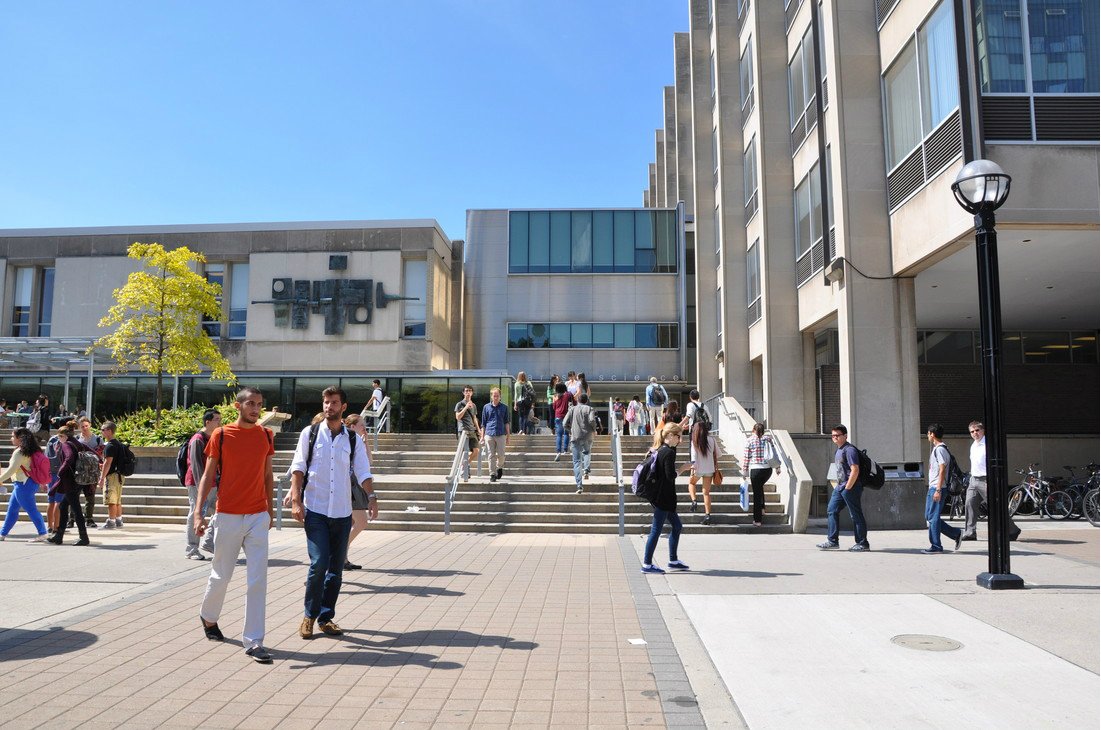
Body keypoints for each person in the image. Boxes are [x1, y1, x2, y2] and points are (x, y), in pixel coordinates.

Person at [195, 387, 276, 664]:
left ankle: (254, 641)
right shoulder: (221, 434)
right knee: (221, 576)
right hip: (228, 514)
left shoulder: (266, 435)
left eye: (259, 404)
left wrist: (270, 512)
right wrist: (198, 512)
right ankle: (208, 616)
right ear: (237, 406)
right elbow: (207, 475)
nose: (256, 408)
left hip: (257, 515)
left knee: (257, 580)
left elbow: (268, 474)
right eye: (251, 403)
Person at [289, 386, 375, 639]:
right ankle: (309, 615)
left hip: (341, 512)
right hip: (315, 509)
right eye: (326, 402)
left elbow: (363, 471)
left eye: (334, 402)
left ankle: (326, 618)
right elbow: (298, 467)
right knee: (318, 564)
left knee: (336, 569)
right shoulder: (310, 433)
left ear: (343, 407)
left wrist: (372, 497)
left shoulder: (352, 439)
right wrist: (296, 500)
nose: (329, 407)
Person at [641, 423, 693, 574]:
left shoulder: (662, 450)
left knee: (677, 526)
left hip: (663, 497)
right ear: (670, 436)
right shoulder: (668, 453)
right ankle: (647, 564)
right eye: (678, 436)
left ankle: (673, 560)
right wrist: (683, 469)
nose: (681, 440)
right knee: (656, 530)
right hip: (663, 498)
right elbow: (670, 476)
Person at [962, 420, 1021, 542]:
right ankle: (970, 532)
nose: (975, 433)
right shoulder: (973, 445)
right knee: (969, 503)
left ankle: (1012, 530)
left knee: (995, 507)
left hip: (986, 480)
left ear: (983, 430)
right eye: (972, 431)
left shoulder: (989, 445)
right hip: (974, 480)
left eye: (977, 430)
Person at [818, 424, 870, 552]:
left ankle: (862, 543)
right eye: (833, 435)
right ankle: (832, 541)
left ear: (845, 436)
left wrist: (847, 487)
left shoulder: (849, 450)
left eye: (837, 435)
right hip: (840, 487)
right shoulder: (839, 450)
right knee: (831, 510)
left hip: (851, 487)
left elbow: (855, 469)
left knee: (855, 514)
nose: (834, 437)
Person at [0, 427, 50, 542]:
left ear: (20, 438)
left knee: (31, 510)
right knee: (12, 510)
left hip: (23, 485)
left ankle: (43, 533)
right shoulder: (31, 449)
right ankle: (2, 533)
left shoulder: (20, 452)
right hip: (27, 483)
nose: (11, 438)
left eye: (13, 436)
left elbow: (11, 470)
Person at [184, 409, 221, 560]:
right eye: (217, 419)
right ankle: (191, 549)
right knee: (196, 512)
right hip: (197, 483)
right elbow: (196, 466)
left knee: (219, 511)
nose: (220, 422)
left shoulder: (212, 438)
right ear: (208, 422)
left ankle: (209, 542)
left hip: (212, 483)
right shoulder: (198, 439)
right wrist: (202, 488)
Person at [343, 413, 376, 570]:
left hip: (358, 485)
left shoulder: (359, 442)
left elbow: (369, 462)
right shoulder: (346, 442)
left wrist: (367, 443)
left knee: (351, 523)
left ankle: (343, 557)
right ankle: (340, 552)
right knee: (361, 521)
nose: (364, 427)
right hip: (351, 485)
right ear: (352, 427)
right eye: (361, 424)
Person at [923, 424, 963, 553]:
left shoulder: (939, 449)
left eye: (928, 433)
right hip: (934, 487)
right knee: (929, 516)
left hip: (937, 487)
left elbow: (942, 470)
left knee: (933, 517)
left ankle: (936, 546)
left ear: (932, 434)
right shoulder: (940, 449)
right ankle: (955, 533)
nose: (927, 436)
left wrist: (938, 490)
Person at [47, 425, 89, 546]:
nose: (59, 439)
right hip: (79, 480)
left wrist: (60, 471)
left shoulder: (66, 444)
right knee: (63, 506)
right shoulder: (77, 443)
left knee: (76, 510)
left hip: (70, 481)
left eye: (60, 436)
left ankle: (84, 537)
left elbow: (69, 457)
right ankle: (59, 536)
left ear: (65, 436)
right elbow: (92, 452)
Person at [741, 423, 780, 527]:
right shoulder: (768, 439)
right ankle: (762, 508)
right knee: (759, 488)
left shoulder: (749, 440)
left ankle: (757, 520)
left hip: (755, 470)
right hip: (767, 470)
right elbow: (774, 453)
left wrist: (744, 472)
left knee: (756, 494)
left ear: (753, 429)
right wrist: (777, 467)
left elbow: (746, 458)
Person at [689, 420, 723, 525]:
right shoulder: (712, 440)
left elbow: (693, 458)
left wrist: (692, 470)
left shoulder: (694, 441)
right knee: (706, 493)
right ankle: (707, 515)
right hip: (709, 469)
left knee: (691, 483)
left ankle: (694, 500)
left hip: (698, 469)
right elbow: (719, 454)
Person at [563, 393, 597, 494]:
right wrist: (594, 429)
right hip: (587, 435)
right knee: (587, 452)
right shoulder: (590, 409)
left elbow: (564, 423)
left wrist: (571, 430)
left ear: (578, 400)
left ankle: (579, 486)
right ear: (586, 400)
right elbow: (592, 420)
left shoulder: (572, 409)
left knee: (577, 461)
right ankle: (586, 470)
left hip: (575, 437)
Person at [74, 417, 102, 528]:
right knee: (74, 496)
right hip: (79, 472)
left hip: (92, 472)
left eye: (86, 426)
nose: (84, 428)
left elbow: (101, 454)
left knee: (90, 496)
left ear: (89, 425)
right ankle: (72, 518)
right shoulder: (76, 439)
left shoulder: (97, 439)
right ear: (79, 427)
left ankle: (89, 518)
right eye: (82, 426)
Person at [97, 421, 125, 529]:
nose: (102, 432)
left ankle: (111, 521)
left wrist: (102, 478)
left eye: (103, 430)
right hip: (119, 475)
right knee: (117, 499)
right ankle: (119, 520)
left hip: (111, 476)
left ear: (109, 431)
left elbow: (107, 462)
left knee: (111, 500)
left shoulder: (110, 446)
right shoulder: (119, 444)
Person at [480, 387, 510, 483]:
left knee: (501, 455)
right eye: (494, 395)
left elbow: (507, 422)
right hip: (489, 433)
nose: (496, 397)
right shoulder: (486, 407)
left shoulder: (504, 407)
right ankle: (492, 474)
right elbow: (483, 423)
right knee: (490, 455)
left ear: (500, 396)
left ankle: (499, 467)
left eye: (497, 396)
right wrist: (482, 436)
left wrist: (508, 436)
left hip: (501, 434)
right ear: (491, 396)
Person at [454, 385, 481, 481]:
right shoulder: (459, 404)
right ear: (463, 393)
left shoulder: (474, 405)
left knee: (476, 450)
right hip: (463, 430)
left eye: (470, 391)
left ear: (472, 393)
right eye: (466, 391)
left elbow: (474, 418)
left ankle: (464, 465)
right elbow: (458, 417)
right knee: (464, 452)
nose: (468, 392)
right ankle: (464, 470)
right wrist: (465, 407)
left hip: (471, 430)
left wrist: (478, 430)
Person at [552, 382, 571, 461]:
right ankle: (565, 450)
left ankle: (558, 451)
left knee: (559, 435)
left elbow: (554, 407)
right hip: (566, 416)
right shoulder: (568, 394)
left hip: (557, 416)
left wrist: (554, 400)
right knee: (566, 433)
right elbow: (575, 403)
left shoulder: (556, 396)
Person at [514, 372, 536, 436]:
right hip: (528, 401)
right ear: (525, 376)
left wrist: (515, 404)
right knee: (525, 416)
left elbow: (516, 395)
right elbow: (532, 393)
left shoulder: (516, 384)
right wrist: (532, 403)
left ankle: (521, 430)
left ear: (518, 376)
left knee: (521, 416)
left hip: (520, 401)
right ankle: (524, 431)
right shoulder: (528, 383)